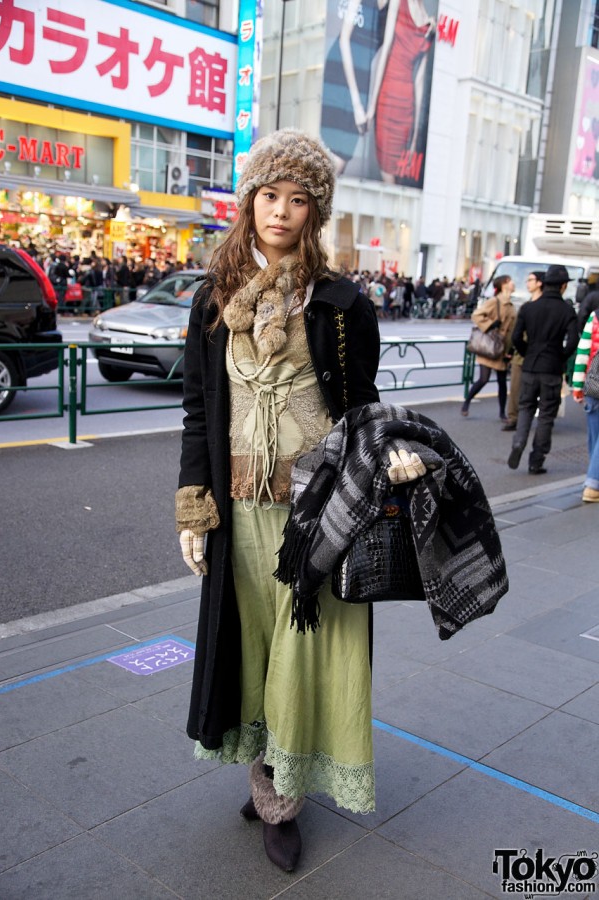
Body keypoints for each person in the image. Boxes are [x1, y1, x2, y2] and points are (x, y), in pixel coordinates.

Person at [175, 128, 426, 873]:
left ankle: (281, 796)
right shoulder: (211, 299)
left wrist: (394, 454)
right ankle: (272, 780)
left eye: (299, 200)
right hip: (241, 514)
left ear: (316, 214)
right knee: (251, 651)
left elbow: (363, 407)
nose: (281, 212)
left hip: (320, 511)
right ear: (249, 200)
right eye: (270, 195)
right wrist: (194, 505)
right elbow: (198, 412)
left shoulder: (344, 303)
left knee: (308, 655)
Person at [508, 264, 578, 475]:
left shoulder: (529, 308)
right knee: (547, 415)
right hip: (552, 369)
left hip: (530, 366)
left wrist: (528, 352)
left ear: (545, 284)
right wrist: (561, 356)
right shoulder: (567, 310)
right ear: (563, 286)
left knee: (526, 408)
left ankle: (518, 442)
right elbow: (573, 340)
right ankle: (536, 461)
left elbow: (515, 338)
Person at [368, 0, 435, 184]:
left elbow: (419, 81)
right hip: (387, 96)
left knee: (394, 172)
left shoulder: (429, 24)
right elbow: (386, 48)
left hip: (406, 106)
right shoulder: (399, 2)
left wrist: (415, 137)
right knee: (386, 168)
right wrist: (372, 105)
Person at [320, 0, 385, 174]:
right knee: (336, 157)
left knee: (342, 158)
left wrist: (372, 106)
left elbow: (382, 57)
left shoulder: (393, 5)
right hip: (340, 72)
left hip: (361, 79)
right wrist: (357, 105)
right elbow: (344, 40)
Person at [461, 275, 516, 420]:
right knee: (483, 379)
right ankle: (467, 402)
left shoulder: (511, 304)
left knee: (502, 382)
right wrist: (490, 324)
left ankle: (502, 413)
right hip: (490, 345)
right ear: (504, 284)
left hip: (503, 348)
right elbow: (477, 315)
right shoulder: (494, 301)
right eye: (511, 281)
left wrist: (510, 350)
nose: (513, 284)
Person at [502, 270, 545, 431]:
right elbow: (516, 333)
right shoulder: (526, 305)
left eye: (530, 280)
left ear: (540, 282)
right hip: (522, 354)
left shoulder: (540, 305)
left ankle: (527, 419)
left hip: (535, 354)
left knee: (533, 389)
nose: (527, 283)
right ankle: (513, 418)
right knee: (515, 388)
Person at [572, 309, 599, 502]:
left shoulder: (596, 315)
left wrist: (577, 385)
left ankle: (594, 478)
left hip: (594, 382)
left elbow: (583, 351)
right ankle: (593, 483)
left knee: (594, 436)